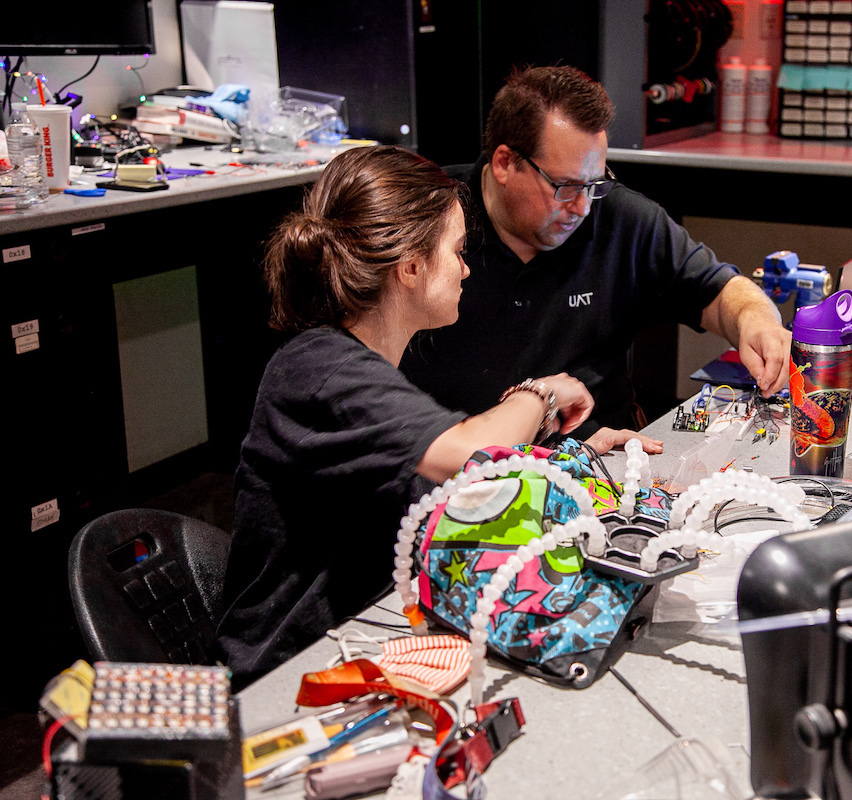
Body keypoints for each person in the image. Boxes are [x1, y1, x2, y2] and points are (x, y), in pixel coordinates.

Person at [216, 146, 597, 686]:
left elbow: (435, 492)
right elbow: (467, 455)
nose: (466, 268)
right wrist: (543, 394)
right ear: (411, 266)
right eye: (458, 251)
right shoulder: (319, 369)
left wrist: (572, 461)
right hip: (289, 673)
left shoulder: (365, 363)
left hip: (368, 636)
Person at [401, 65, 790, 442]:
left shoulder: (620, 218)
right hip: (456, 460)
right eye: (565, 186)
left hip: (598, 455)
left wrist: (758, 323)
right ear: (504, 163)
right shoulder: (427, 220)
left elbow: (719, 289)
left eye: (595, 184)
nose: (583, 207)